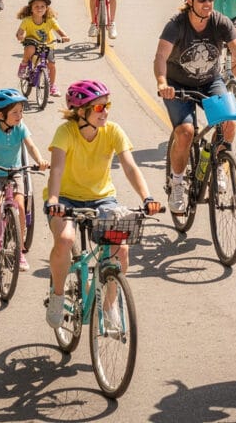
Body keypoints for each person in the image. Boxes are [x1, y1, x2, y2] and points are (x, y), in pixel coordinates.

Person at [44, 80, 163, 330]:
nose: (105, 112)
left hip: (102, 198)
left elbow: (130, 166)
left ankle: (108, 306)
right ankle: (57, 296)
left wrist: (147, 198)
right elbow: (56, 169)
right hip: (64, 198)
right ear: (81, 111)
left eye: (107, 105)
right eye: (98, 108)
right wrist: (53, 200)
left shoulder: (113, 131)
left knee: (121, 249)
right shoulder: (65, 132)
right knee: (65, 240)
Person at [154, 0, 236, 213]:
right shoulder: (176, 25)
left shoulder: (220, 22)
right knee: (185, 133)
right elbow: (161, 57)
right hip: (178, 85)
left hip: (209, 81)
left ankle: (217, 162)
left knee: (229, 122)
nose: (208, 3)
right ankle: (176, 182)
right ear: (189, 1)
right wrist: (163, 82)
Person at [0, 89, 48, 271]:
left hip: (15, 171)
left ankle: (19, 251)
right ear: (0, 114)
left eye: (21, 111)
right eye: (15, 112)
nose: (19, 115)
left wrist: (40, 161)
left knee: (21, 207)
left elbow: (31, 146)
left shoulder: (21, 128)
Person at [16, 0, 70, 97]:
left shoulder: (50, 20)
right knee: (30, 49)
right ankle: (24, 64)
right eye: (36, 6)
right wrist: (20, 36)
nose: (39, 8)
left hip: (48, 44)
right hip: (32, 42)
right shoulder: (27, 20)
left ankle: (52, 86)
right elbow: (20, 32)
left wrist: (64, 36)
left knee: (51, 65)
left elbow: (59, 30)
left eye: (42, 6)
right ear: (31, 8)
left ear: (46, 8)